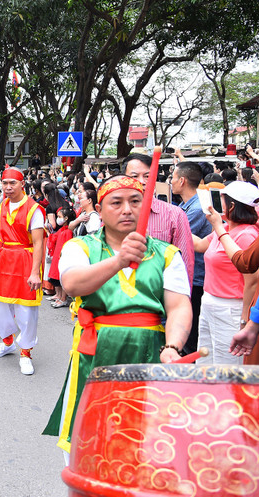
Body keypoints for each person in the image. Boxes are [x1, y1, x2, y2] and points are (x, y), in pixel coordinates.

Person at [42, 175, 191, 461]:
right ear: (99, 209)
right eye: (116, 203)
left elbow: (178, 306)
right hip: (96, 350)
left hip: (149, 352)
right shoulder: (81, 246)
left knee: (145, 441)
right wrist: (119, 261)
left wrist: (173, 346)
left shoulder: (166, 253)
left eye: (135, 202)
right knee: (87, 439)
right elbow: (72, 284)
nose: (127, 210)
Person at [0, 168, 45, 376]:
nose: (8, 187)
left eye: (12, 183)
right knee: (0, 304)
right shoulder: (4, 203)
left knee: (26, 309)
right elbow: (5, 224)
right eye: (4, 183)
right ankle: (7, 342)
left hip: (25, 259)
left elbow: (38, 243)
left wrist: (35, 273)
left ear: (22, 184)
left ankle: (26, 353)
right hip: (5, 259)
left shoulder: (34, 209)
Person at [192, 181, 259, 365]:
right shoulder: (226, 229)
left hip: (230, 308)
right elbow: (199, 245)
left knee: (227, 365)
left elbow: (252, 281)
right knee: (205, 360)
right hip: (210, 302)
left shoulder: (246, 235)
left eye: (221, 200)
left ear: (231, 206)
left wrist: (244, 319)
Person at [122, 153, 194, 284]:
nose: (142, 181)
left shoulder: (174, 215)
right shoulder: (114, 213)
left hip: (159, 291)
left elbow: (185, 263)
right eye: (134, 176)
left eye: (147, 176)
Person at [170, 161, 213, 353]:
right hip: (194, 276)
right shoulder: (188, 204)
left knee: (191, 334)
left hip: (196, 278)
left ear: (182, 181)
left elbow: (179, 238)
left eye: (173, 177)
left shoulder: (196, 209)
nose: (170, 182)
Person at [47, 205, 75, 308]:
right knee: (57, 277)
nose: (58, 218)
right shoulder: (63, 229)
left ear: (66, 218)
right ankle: (59, 296)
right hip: (57, 255)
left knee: (62, 278)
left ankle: (63, 298)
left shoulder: (68, 231)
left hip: (62, 256)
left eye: (59, 216)